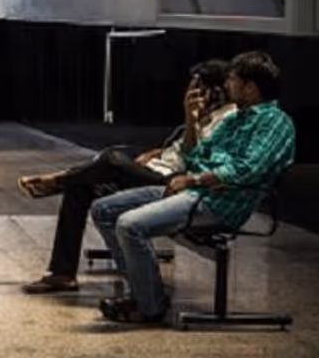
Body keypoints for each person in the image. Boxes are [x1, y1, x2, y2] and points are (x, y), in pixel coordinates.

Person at [90, 51, 295, 323]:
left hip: (219, 203)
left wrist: (194, 179)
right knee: (103, 209)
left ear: (250, 87)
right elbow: (194, 156)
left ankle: (149, 305)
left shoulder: (274, 122)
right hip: (195, 192)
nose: (226, 86)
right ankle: (145, 292)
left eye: (232, 80)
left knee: (129, 225)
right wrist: (192, 118)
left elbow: (247, 169)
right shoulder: (235, 118)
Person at [19, 59, 233, 294]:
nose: (191, 92)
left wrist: (191, 120)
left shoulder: (228, 118)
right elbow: (182, 147)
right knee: (80, 188)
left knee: (112, 158)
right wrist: (163, 147)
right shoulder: (203, 112)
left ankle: (58, 181)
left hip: (174, 183)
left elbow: (197, 159)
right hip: (159, 169)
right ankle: (61, 272)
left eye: (197, 86)